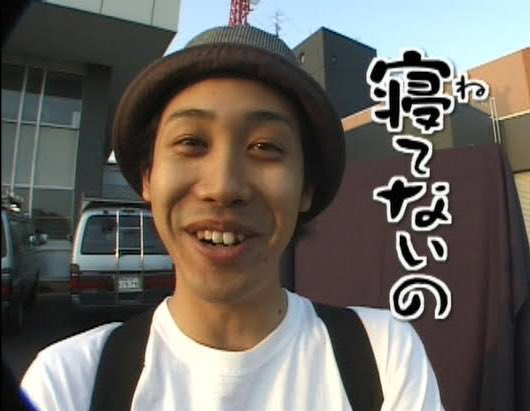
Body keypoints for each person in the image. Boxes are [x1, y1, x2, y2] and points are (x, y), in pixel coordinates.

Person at [20, 25, 445, 411]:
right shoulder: (66, 383)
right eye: (191, 142)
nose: (223, 187)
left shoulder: (382, 356)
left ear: (306, 188)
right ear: (148, 176)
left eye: (265, 147)